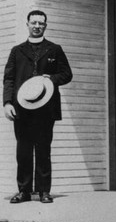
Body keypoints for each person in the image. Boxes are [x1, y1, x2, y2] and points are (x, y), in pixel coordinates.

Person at [3, 10, 73, 203]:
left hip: (45, 108)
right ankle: (24, 191)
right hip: (21, 108)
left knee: (43, 149)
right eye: (33, 22)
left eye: (41, 23)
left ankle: (43, 191)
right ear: (27, 24)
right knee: (23, 150)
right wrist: (7, 103)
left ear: (45, 26)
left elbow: (67, 74)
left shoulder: (54, 49)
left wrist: (50, 78)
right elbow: (8, 79)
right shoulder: (17, 51)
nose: (37, 26)